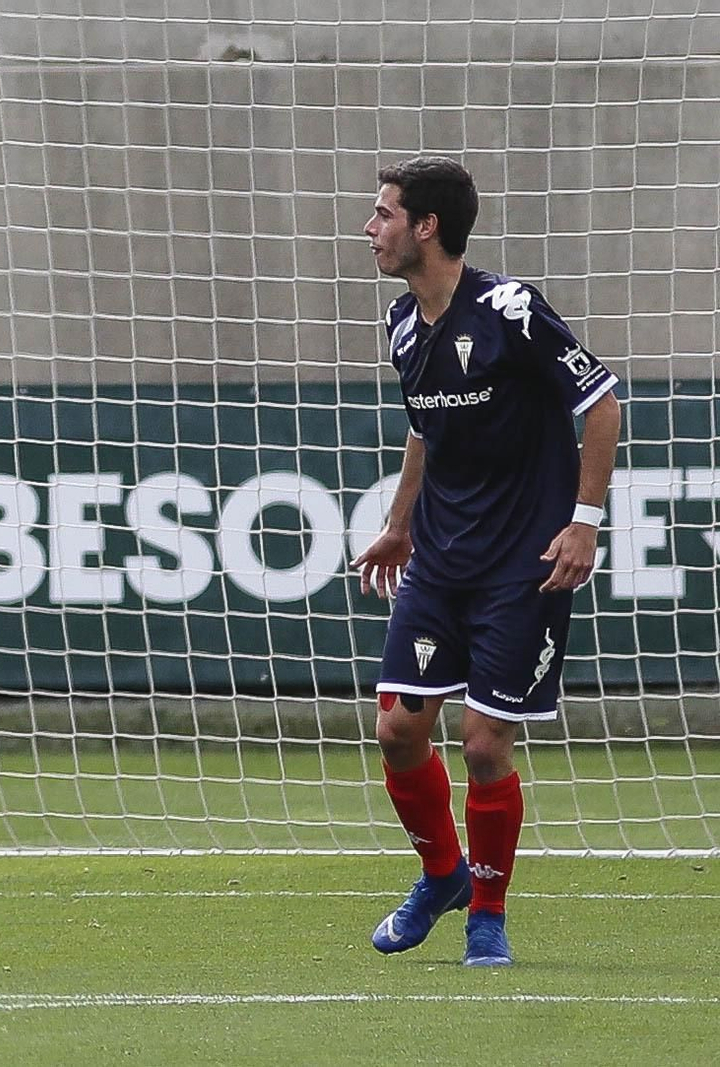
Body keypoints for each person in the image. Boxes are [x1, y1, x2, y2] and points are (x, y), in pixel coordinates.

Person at [351, 157, 621, 967]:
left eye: (384, 213)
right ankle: (442, 874)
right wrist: (400, 524)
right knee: (398, 729)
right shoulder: (403, 324)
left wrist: (584, 522)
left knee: (482, 746)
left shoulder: (511, 310)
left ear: (426, 226)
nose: (371, 228)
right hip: (438, 559)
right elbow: (426, 431)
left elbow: (601, 403)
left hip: (522, 565)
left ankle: (488, 916)